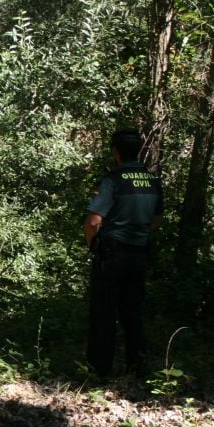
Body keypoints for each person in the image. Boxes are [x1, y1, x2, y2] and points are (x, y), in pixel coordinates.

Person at [83, 127, 164, 378]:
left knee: (104, 314)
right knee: (133, 314)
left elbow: (93, 221)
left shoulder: (112, 181)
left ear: (116, 152)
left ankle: (99, 371)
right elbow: (157, 219)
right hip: (138, 254)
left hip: (112, 254)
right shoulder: (152, 182)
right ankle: (136, 369)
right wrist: (137, 230)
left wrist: (92, 244)